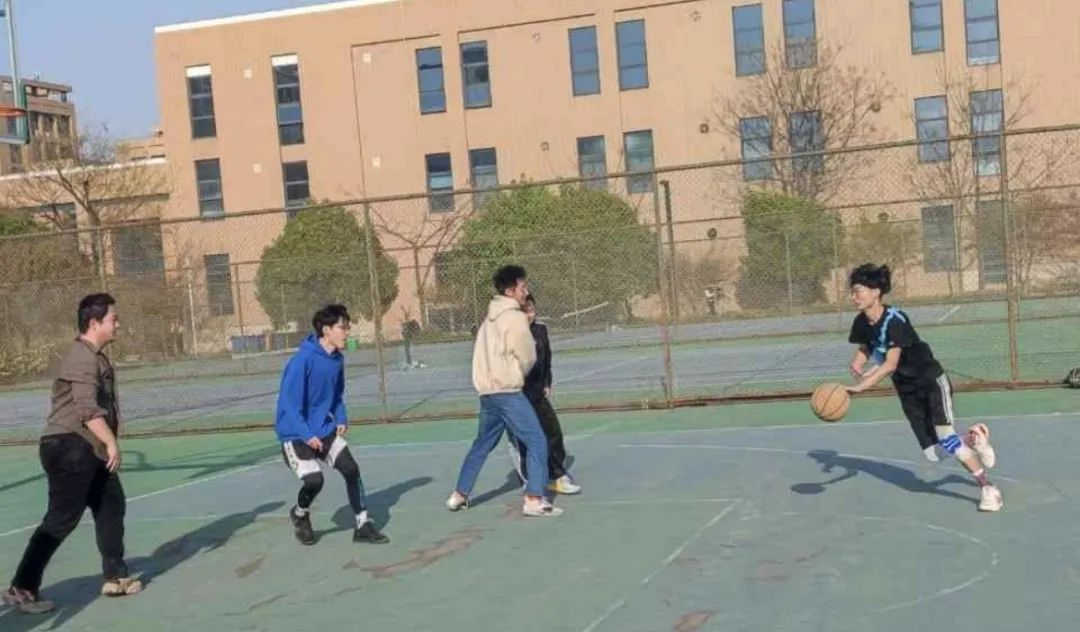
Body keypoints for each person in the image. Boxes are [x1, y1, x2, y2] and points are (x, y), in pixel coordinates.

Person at [4, 294, 142, 616]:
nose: (118, 324)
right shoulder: (82, 357)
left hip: (87, 448)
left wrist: (104, 444)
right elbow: (86, 410)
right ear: (94, 323)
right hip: (69, 448)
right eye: (113, 319)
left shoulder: (95, 356)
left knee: (111, 504)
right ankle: (22, 588)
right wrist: (111, 443)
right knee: (61, 520)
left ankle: (116, 577)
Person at [846, 263, 1002, 512]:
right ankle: (974, 438)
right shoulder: (861, 322)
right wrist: (858, 362)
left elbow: (890, 364)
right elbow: (867, 345)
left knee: (946, 437)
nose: (854, 296)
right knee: (935, 452)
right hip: (907, 390)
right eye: (853, 291)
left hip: (930, 381)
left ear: (875, 292)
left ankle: (988, 488)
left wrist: (862, 386)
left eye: (858, 291)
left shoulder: (895, 320)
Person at [446, 265, 562, 517]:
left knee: (482, 444)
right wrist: (517, 373)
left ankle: (459, 494)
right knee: (537, 440)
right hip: (508, 392)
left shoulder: (488, 321)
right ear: (510, 291)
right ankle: (534, 498)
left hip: (488, 394)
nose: (526, 292)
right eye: (523, 287)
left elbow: (480, 356)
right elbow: (527, 355)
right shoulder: (514, 318)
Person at [275, 304, 389, 545]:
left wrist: (341, 417)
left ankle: (362, 525)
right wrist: (307, 435)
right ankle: (300, 514)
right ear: (326, 330)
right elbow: (289, 406)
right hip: (296, 434)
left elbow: (336, 395)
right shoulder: (302, 361)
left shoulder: (337, 360)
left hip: (323, 429)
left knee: (351, 469)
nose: (347, 332)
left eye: (348, 327)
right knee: (315, 481)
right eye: (342, 327)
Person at [508, 295, 580, 495]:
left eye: (531, 309)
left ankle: (555, 474)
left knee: (553, 432)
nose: (529, 314)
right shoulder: (511, 334)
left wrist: (547, 382)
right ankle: (531, 480)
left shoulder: (540, 330)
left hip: (537, 391)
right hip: (515, 393)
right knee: (523, 439)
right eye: (524, 311)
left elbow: (546, 359)